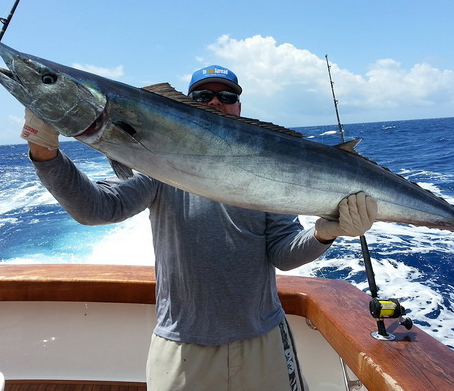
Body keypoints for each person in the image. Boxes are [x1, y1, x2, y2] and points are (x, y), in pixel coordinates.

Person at [22, 65, 378, 391]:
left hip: (262, 337)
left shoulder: (271, 171)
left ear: (238, 107)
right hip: (180, 343)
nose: (215, 103)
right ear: (183, 104)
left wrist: (324, 233)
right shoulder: (157, 165)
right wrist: (45, 153)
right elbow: (96, 208)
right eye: (202, 96)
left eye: (227, 97)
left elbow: (282, 255)